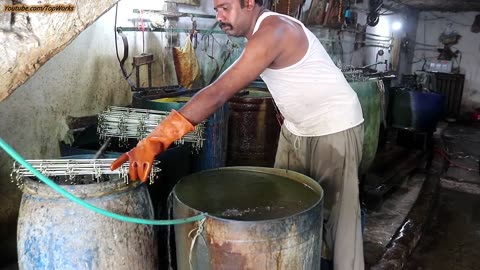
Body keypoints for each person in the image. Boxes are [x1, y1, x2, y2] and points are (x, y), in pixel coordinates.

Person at [111, 0, 365, 268]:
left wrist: (155, 141)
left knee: (340, 220)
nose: (220, 16)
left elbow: (218, 92)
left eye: (225, 7)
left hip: (335, 125)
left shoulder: (273, 30)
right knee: (289, 208)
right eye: (216, 10)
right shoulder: (259, 34)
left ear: (248, 3)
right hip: (296, 129)